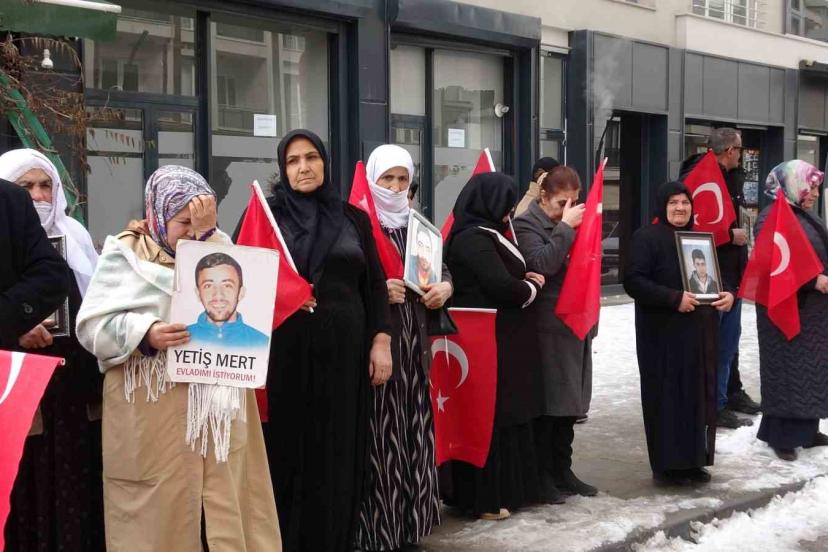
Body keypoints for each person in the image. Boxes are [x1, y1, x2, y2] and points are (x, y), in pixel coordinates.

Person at [76, 165, 281, 552]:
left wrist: (207, 238)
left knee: (227, 506)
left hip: (216, 409)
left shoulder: (222, 250)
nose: (191, 232)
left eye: (200, 222)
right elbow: (91, 328)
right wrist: (145, 332)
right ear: (158, 215)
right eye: (183, 222)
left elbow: (245, 311)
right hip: (151, 410)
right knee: (159, 511)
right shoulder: (125, 255)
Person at [259, 130, 392, 552]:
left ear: (325, 162)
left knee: (339, 449)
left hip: (345, 356)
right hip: (286, 357)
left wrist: (381, 340)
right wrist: (285, 296)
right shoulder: (267, 216)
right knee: (288, 449)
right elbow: (244, 272)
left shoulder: (353, 219)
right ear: (283, 169)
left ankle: (336, 539)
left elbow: (374, 284)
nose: (303, 167)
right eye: (293, 160)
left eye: (311, 157)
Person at [0, 149, 98, 551]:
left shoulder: (75, 237)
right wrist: (16, 327)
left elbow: (95, 300)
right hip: (19, 382)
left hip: (70, 384)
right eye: (27, 186)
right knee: (24, 483)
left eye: (46, 186)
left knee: (72, 482)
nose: (38, 196)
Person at [355, 144, 451, 551]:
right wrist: (378, 290)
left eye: (402, 179)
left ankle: (411, 527)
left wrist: (445, 288)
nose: (395, 187)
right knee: (381, 439)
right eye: (387, 178)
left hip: (415, 352)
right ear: (372, 179)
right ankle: (379, 532)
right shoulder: (357, 224)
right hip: (379, 349)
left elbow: (441, 268)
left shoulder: (418, 226)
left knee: (414, 434)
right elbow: (343, 282)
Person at [442, 172, 545, 520]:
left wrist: (522, 279)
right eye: (505, 202)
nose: (510, 210)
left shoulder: (488, 232)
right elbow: (500, 285)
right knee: (488, 416)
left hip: (502, 339)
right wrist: (531, 288)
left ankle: (507, 491)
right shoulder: (473, 238)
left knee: (504, 413)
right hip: (485, 340)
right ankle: (483, 496)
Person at [624, 181, 734, 485]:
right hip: (662, 336)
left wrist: (728, 294)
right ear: (663, 206)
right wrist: (674, 299)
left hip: (698, 335)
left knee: (695, 399)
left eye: (685, 202)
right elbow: (633, 281)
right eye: (673, 202)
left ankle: (694, 461)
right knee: (667, 399)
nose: (680, 208)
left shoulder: (698, 238)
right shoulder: (646, 238)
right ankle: (668, 466)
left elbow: (717, 278)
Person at [514, 165, 598, 505]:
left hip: (574, 324)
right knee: (551, 405)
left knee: (570, 405)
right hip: (547, 327)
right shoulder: (526, 224)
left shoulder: (572, 221)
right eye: (562, 202)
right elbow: (541, 263)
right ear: (544, 196)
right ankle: (542, 475)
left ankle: (563, 469)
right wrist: (565, 228)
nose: (568, 209)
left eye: (574, 202)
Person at [679, 128, 760, 427]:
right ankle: (714, 403)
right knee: (717, 344)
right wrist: (728, 234)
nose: (741, 155)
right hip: (713, 275)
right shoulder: (700, 177)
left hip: (731, 273)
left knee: (729, 342)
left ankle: (729, 393)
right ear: (729, 151)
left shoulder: (729, 176)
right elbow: (695, 227)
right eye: (739, 149)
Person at [755, 160, 828, 462]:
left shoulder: (804, 214)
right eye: (810, 187)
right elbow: (773, 264)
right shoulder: (769, 217)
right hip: (785, 309)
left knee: (811, 371)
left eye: (816, 188)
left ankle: (807, 430)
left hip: (813, 312)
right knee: (786, 373)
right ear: (792, 185)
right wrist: (813, 280)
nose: (815, 193)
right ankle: (781, 437)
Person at [187, 252, 269, 348]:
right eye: (208, 286)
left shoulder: (262, 343)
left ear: (241, 292)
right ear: (198, 293)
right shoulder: (179, 339)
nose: (218, 295)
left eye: (227, 285)